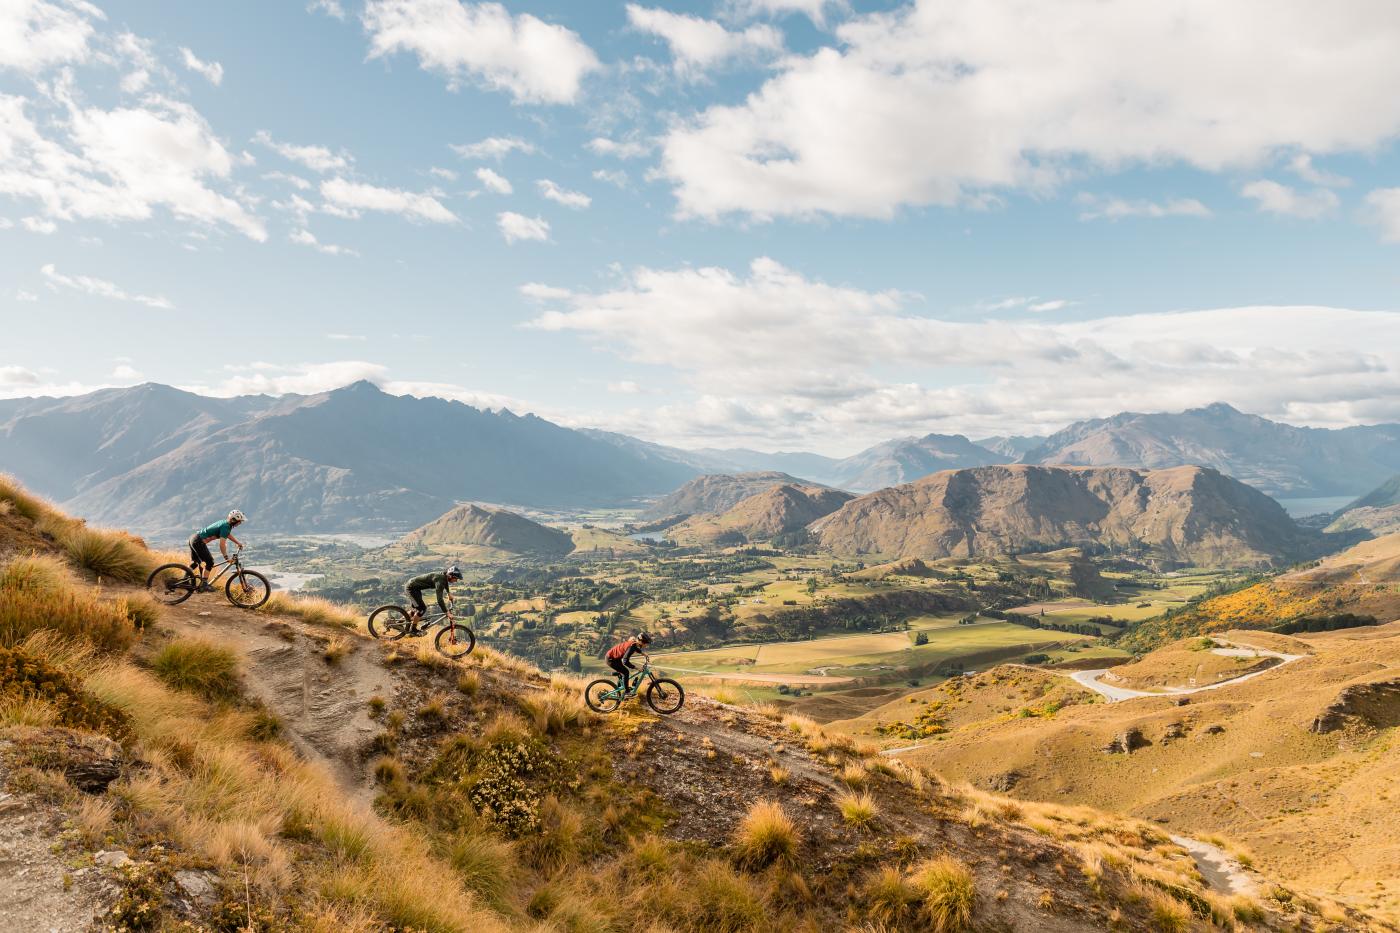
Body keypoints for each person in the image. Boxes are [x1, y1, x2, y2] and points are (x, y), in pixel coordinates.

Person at [189, 510, 246, 592]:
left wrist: (237, 543)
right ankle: (204, 585)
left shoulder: (225, 523)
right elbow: (222, 545)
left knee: (196, 562)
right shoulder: (226, 526)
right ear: (233, 520)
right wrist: (226, 558)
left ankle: (185, 579)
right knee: (210, 562)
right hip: (198, 541)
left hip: (194, 538)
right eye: (239, 522)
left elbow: (227, 534)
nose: (239, 523)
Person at [405, 566, 462, 634]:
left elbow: (445, 582)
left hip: (415, 588)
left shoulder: (444, 576)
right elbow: (439, 600)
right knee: (422, 609)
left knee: (416, 610)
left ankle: (399, 622)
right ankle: (413, 629)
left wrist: (448, 593)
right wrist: (447, 612)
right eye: (455, 578)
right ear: (450, 576)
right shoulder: (440, 581)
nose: (456, 581)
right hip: (411, 588)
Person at [606, 631, 653, 697]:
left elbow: (635, 648)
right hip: (611, 659)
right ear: (641, 642)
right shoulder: (631, 647)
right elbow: (625, 661)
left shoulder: (634, 643)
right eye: (646, 643)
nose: (646, 645)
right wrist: (636, 668)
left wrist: (643, 653)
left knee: (622, 673)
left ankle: (618, 691)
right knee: (626, 672)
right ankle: (627, 692)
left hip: (615, 658)